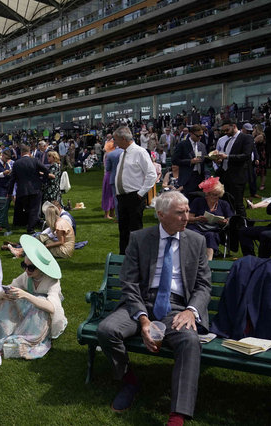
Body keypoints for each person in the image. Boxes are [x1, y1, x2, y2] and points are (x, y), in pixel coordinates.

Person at [96, 191, 211, 425]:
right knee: (107, 330)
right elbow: (128, 282)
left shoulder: (196, 241)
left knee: (190, 342)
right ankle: (129, 380)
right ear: (161, 215)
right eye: (180, 213)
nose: (186, 217)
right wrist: (143, 319)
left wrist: (191, 310)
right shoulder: (139, 239)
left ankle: (178, 414)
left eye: (187, 211)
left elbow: (203, 284)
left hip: (178, 307)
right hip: (141, 301)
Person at [0, 234, 67, 359]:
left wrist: (26, 295)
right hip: (29, 314)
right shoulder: (27, 276)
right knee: (6, 300)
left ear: (41, 268)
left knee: (40, 302)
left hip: (44, 318)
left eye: (31, 268)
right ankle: (5, 334)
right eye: (24, 265)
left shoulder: (52, 281)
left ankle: (30, 338)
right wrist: (5, 294)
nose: (26, 270)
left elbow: (52, 308)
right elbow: (12, 286)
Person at [114, 126, 157, 254]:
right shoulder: (123, 154)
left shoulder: (140, 152)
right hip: (122, 197)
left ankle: (137, 256)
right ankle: (124, 256)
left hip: (134, 196)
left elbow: (151, 174)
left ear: (123, 138)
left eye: (116, 140)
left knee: (135, 229)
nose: (115, 143)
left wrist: (141, 193)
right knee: (123, 229)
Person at [212, 119, 253, 217]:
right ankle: (230, 223)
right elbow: (226, 158)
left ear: (234, 126)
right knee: (227, 202)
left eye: (227, 130)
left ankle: (243, 225)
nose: (225, 133)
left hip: (238, 176)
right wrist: (218, 159)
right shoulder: (227, 141)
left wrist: (227, 157)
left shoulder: (246, 138)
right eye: (223, 131)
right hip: (226, 175)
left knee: (238, 203)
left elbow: (246, 155)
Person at [186, 177, 233, 260]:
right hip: (197, 226)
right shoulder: (198, 201)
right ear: (207, 193)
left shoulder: (224, 204)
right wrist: (197, 219)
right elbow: (188, 218)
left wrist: (225, 222)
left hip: (214, 229)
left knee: (211, 235)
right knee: (194, 234)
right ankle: (193, 259)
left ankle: (209, 262)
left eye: (217, 195)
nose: (214, 197)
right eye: (211, 194)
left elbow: (231, 220)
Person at [9, 203, 75, 259]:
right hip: (68, 250)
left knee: (41, 238)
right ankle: (21, 251)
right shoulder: (61, 220)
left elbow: (61, 242)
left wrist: (45, 246)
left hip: (64, 252)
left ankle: (20, 252)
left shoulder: (59, 225)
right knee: (42, 237)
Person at [7, 144, 49, 234]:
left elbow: (12, 179)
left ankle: (29, 223)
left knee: (28, 209)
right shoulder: (35, 160)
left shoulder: (16, 163)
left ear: (21, 153)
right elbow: (46, 170)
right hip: (35, 188)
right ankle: (31, 228)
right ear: (29, 152)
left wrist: (10, 192)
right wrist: (43, 181)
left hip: (22, 190)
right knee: (34, 209)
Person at [172, 124, 208, 198]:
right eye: (198, 136)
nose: (200, 137)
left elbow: (205, 161)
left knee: (200, 200)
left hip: (200, 177)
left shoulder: (202, 145)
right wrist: (190, 161)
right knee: (189, 200)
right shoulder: (182, 145)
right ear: (191, 133)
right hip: (188, 178)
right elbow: (174, 160)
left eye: (201, 135)